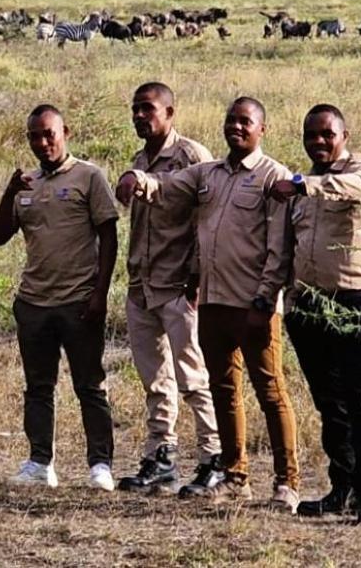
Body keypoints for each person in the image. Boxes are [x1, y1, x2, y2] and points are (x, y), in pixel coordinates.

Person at [116, 97, 301, 508]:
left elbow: (279, 248)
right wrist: (135, 177)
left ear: (262, 130)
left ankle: (287, 483)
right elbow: (164, 185)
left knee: (270, 392)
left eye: (246, 122)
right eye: (231, 121)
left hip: (251, 304)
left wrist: (266, 299)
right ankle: (235, 477)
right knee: (224, 390)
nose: (236, 128)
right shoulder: (208, 173)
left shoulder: (274, 176)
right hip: (213, 302)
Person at [270, 104, 361, 525]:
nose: (318, 141)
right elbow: (289, 247)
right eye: (311, 135)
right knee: (329, 402)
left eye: (327, 134)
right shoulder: (301, 188)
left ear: (345, 134)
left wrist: (304, 185)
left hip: (353, 300)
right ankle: (342, 487)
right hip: (308, 304)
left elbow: (354, 188)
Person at [0, 104, 120, 490]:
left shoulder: (89, 177)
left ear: (66, 133)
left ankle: (100, 464)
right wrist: (9, 192)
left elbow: (109, 236)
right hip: (34, 302)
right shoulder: (26, 184)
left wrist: (100, 292)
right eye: (34, 136)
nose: (42, 142)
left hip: (78, 300)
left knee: (90, 384)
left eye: (49, 133)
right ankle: (39, 462)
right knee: (38, 386)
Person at [116, 83, 221, 493]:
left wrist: (197, 276)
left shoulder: (192, 157)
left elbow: (208, 220)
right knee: (154, 379)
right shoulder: (139, 158)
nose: (140, 116)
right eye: (135, 109)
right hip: (142, 282)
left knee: (193, 377)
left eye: (148, 109)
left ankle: (213, 457)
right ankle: (161, 456)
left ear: (170, 112)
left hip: (179, 282)